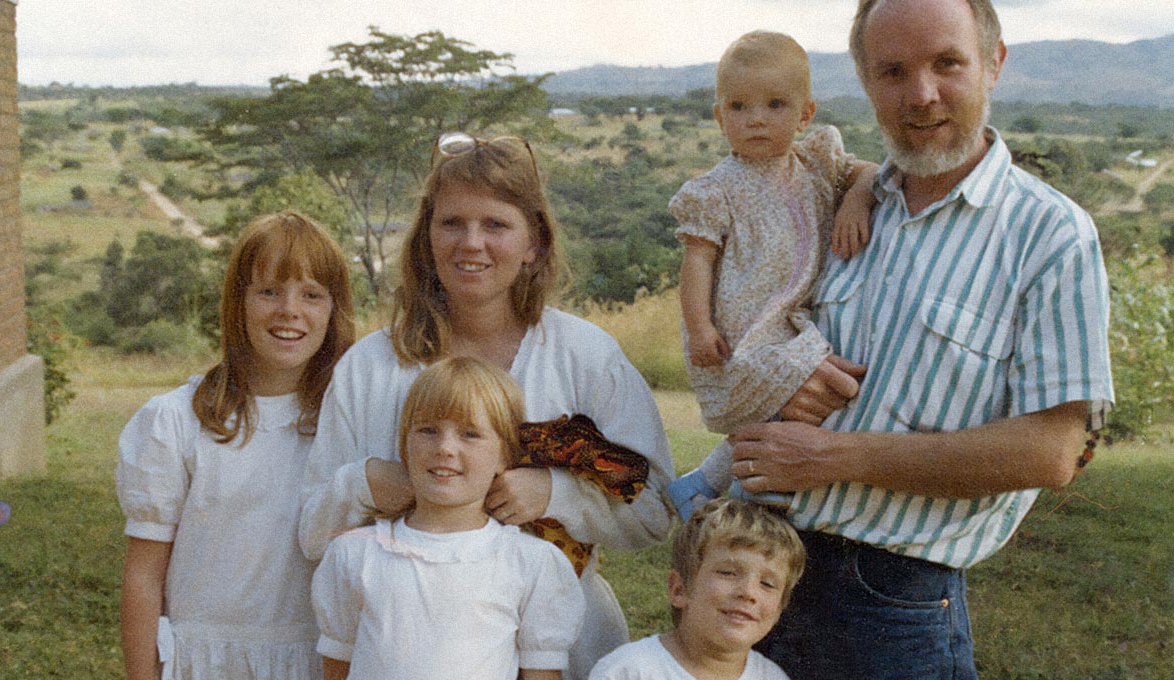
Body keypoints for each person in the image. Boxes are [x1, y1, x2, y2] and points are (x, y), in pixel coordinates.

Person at [726, 1, 1115, 678]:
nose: (922, 94)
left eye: (947, 64)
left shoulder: (1050, 234)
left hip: (889, 606)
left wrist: (833, 457)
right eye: (894, 71)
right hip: (747, 575)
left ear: (994, 63)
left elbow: (1052, 452)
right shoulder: (830, 204)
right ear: (866, 81)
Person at [299, 132, 675, 679]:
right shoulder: (371, 366)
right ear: (426, 238)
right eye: (451, 223)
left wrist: (556, 493)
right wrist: (364, 484)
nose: (471, 243)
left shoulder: (584, 356)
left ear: (534, 243)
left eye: (495, 225)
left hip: (562, 652)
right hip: (406, 652)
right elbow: (312, 535)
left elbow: (655, 510)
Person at [117, 212, 356, 680]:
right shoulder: (176, 420)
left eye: (311, 295)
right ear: (237, 303)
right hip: (201, 662)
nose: (290, 310)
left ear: (334, 311)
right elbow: (143, 575)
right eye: (269, 291)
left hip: (314, 661)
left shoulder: (346, 424)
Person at [666, 30, 877, 521]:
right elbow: (696, 263)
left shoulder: (816, 164)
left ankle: (705, 483)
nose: (756, 119)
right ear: (720, 117)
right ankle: (746, 488)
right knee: (801, 394)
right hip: (746, 324)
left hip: (793, 316)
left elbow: (871, 172)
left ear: (805, 114)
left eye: (775, 105)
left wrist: (856, 198)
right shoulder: (716, 190)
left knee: (799, 397)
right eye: (739, 107)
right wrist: (700, 327)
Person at [311, 357, 584, 680]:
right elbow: (336, 669)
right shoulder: (356, 555)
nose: (445, 448)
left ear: (505, 455)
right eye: (428, 430)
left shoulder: (529, 563)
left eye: (470, 434)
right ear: (404, 445)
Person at [588, 498, 805, 680]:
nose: (748, 592)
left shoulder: (773, 677)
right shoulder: (628, 671)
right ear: (679, 589)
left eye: (767, 584)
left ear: (779, 608)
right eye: (728, 573)